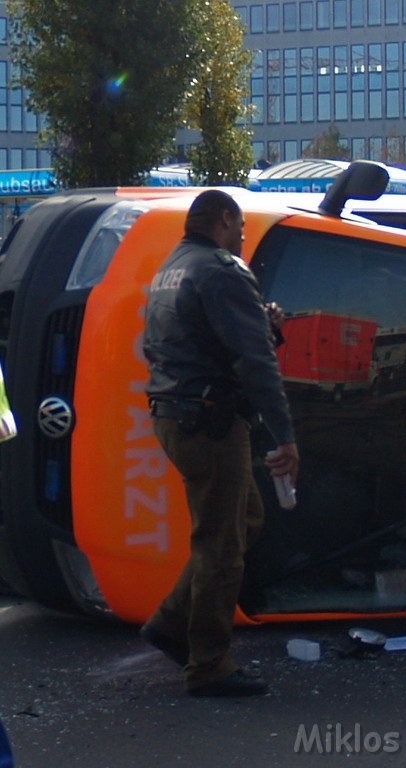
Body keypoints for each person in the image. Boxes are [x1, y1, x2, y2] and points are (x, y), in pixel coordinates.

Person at [140, 189, 299, 697]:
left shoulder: (171, 268)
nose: (245, 236)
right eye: (242, 227)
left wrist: (259, 326)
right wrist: (285, 437)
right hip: (210, 424)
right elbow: (255, 363)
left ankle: (169, 623)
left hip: (175, 417)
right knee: (221, 546)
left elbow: (170, 344)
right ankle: (208, 665)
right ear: (225, 220)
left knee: (243, 521)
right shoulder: (222, 269)